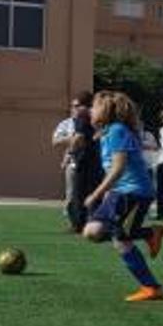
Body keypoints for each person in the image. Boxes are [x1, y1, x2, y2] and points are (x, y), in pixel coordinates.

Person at [82, 91, 163, 302]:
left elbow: (118, 168)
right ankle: (149, 233)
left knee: (121, 240)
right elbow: (115, 168)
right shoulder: (109, 132)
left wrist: (97, 193)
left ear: (105, 111)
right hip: (121, 192)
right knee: (92, 232)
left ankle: (151, 287)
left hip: (134, 193)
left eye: (93, 106)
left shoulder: (117, 130)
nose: (90, 110)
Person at [52, 91, 100, 233]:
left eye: (77, 105)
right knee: (90, 193)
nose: (74, 108)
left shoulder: (82, 116)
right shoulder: (97, 117)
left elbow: (78, 138)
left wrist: (70, 153)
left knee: (77, 194)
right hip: (96, 160)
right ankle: (92, 222)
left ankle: (79, 225)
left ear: (84, 105)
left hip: (83, 160)